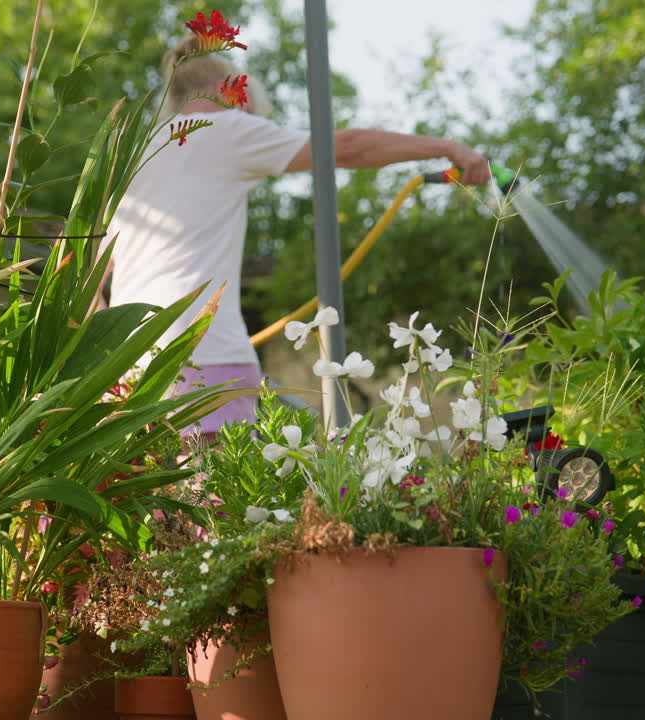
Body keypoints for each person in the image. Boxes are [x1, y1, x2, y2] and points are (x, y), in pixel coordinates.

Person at [104, 34, 491, 439]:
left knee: (149, 499)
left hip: (125, 366)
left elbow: (91, 272)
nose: (253, 114)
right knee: (208, 499)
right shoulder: (228, 129)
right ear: (229, 90)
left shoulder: (136, 152)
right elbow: (345, 148)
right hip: (205, 353)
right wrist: (449, 147)